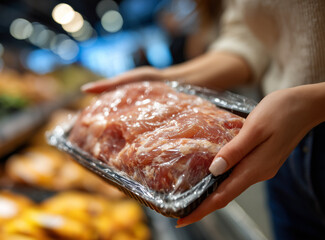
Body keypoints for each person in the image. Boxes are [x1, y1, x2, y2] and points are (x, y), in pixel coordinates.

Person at [81, 0, 325, 239]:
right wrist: (164, 79)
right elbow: (249, 44)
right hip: (282, 138)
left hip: (296, 119)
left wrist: (314, 102)